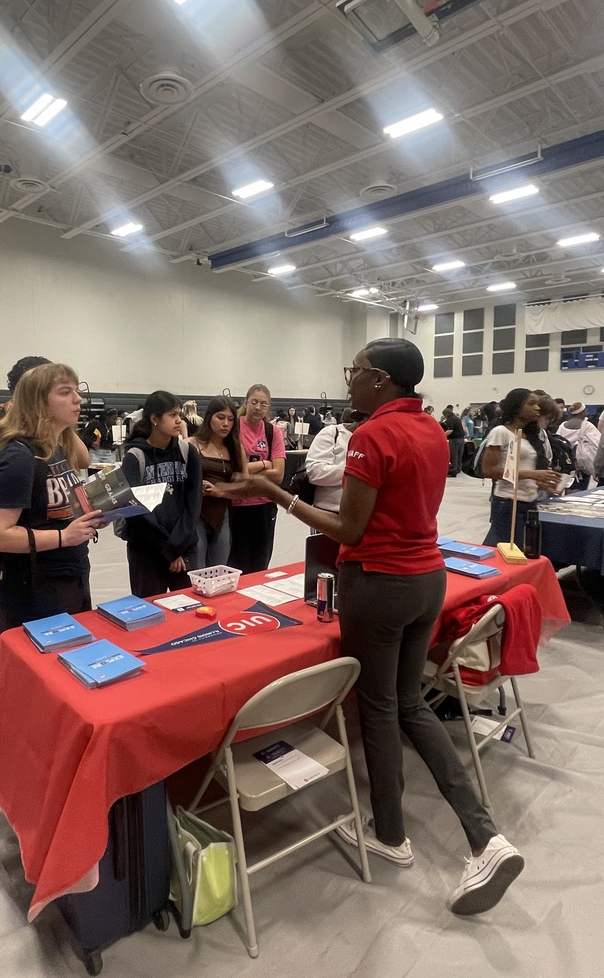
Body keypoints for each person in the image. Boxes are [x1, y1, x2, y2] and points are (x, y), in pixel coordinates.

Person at [209, 338, 524, 916]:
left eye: (353, 372)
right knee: (409, 704)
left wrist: (272, 491)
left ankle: (391, 833)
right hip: (426, 579)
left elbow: (349, 530)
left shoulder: (374, 435)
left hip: (378, 584)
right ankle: (484, 835)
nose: (347, 381)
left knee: (380, 707)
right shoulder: (430, 428)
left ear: (379, 380)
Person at [0, 363, 101, 637]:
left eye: (76, 390)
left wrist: (88, 519)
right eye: (65, 392)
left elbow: (56, 510)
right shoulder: (18, 458)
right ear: (40, 403)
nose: (78, 399)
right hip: (35, 588)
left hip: (70, 575)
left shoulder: (57, 447)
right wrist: (65, 537)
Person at [120, 390, 202, 597]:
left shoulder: (188, 452)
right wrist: (169, 550)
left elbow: (193, 504)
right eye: (172, 415)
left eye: (179, 415)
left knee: (187, 610)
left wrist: (177, 548)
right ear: (154, 418)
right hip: (147, 550)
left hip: (184, 547)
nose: (178, 420)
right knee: (148, 613)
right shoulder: (134, 456)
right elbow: (137, 510)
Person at [481, 389, 560, 549]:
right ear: (516, 407)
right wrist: (532, 474)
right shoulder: (501, 432)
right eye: (531, 403)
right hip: (508, 502)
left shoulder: (530, 435)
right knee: (503, 552)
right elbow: (489, 470)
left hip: (529, 502)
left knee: (523, 551)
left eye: (538, 404)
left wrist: (540, 481)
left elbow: (524, 467)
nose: (538, 408)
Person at [227, 384, 286, 574]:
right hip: (237, 506)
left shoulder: (272, 431)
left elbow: (278, 474)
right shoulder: (233, 428)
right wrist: (264, 464)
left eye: (263, 404)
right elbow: (233, 473)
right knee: (237, 565)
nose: (258, 407)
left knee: (260, 565)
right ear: (246, 403)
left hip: (264, 505)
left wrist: (247, 472)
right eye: (254, 402)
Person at [189, 396, 247, 568]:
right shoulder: (191, 444)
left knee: (218, 571)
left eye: (230, 419)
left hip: (223, 516)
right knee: (196, 572)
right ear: (209, 417)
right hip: (196, 516)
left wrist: (220, 491)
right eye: (220, 418)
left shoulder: (236, 449)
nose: (225, 424)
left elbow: (246, 485)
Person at [304, 407, 352, 513]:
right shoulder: (332, 432)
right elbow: (314, 472)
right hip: (329, 510)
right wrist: (354, 471)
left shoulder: (378, 435)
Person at [558, 401, 601, 488]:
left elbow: (558, 439)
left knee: (569, 484)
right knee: (581, 485)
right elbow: (598, 441)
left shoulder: (563, 425)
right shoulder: (587, 425)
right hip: (583, 461)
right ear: (582, 412)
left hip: (567, 459)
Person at [441, 408, 466, 477]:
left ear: (446, 414)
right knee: (459, 454)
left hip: (454, 439)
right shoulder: (457, 418)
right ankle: (459, 469)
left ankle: (453, 470)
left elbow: (450, 430)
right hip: (461, 439)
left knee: (454, 455)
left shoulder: (450, 419)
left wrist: (441, 435)